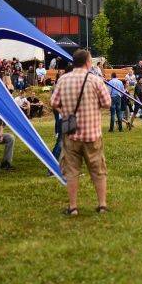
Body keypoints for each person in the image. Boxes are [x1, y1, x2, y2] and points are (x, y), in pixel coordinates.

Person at [50, 49, 112, 215]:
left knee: (71, 172)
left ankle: (73, 207)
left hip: (71, 134)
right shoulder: (95, 80)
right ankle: (102, 205)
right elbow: (107, 103)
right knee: (98, 170)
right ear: (87, 62)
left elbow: (53, 102)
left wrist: (65, 113)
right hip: (92, 134)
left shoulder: (63, 80)